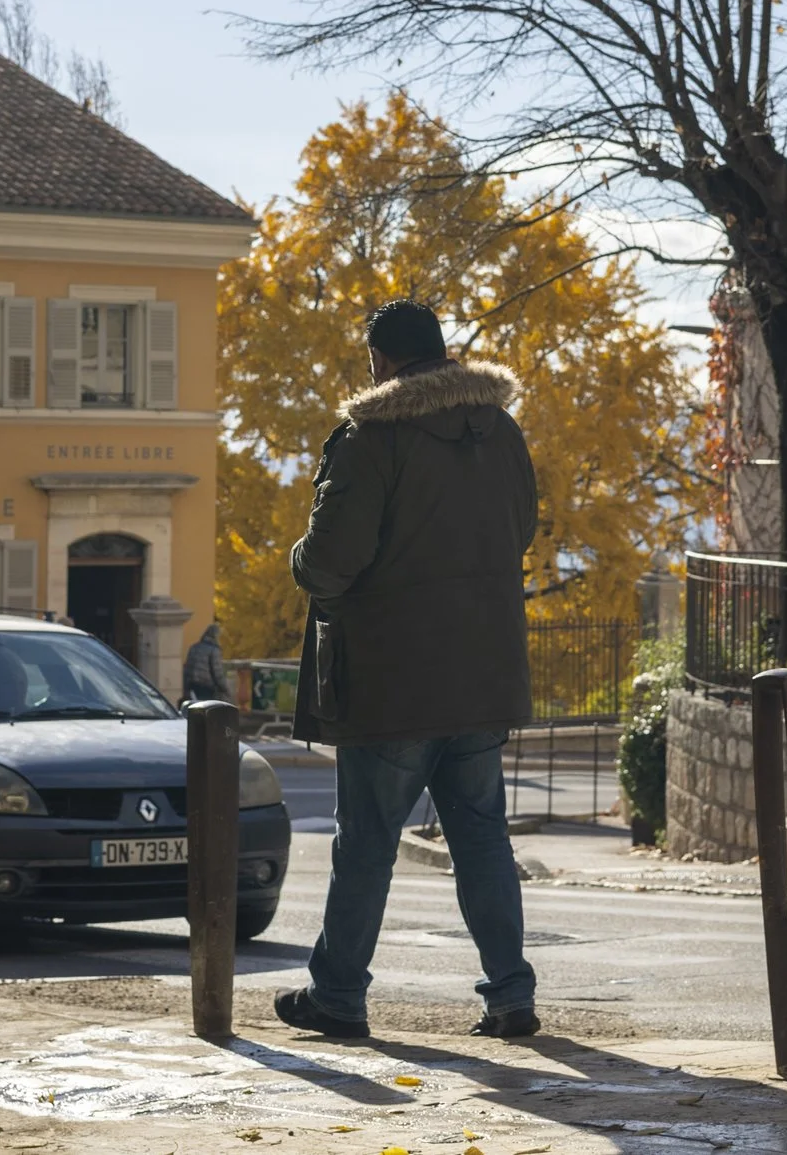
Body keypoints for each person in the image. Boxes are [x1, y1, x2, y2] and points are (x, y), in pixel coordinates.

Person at [273, 299, 540, 1042]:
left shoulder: (373, 437)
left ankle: (338, 995)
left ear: (381, 361)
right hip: (484, 673)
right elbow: (521, 529)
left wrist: (299, 557)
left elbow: (331, 562)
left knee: (366, 843)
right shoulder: (500, 429)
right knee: (482, 839)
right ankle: (511, 994)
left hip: (392, 682)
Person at [183, 620, 233, 705]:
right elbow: (218, 674)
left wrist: (186, 689)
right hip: (206, 687)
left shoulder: (194, 647)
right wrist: (226, 690)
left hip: (192, 687)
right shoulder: (214, 650)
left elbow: (187, 669)